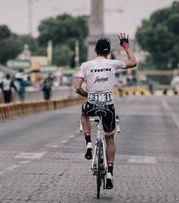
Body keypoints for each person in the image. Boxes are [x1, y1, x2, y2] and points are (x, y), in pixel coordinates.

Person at [74, 33, 137, 189]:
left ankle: (88, 143)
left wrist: (88, 95)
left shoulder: (85, 65)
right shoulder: (113, 63)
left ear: (95, 51)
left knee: (84, 112)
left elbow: (76, 87)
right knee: (110, 139)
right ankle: (109, 173)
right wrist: (126, 46)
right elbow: (133, 62)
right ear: (108, 52)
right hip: (108, 106)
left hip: (92, 104)